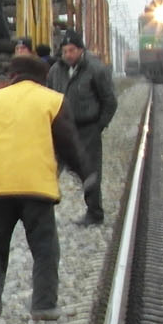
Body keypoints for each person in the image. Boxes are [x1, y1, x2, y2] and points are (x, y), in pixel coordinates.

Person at [0, 53, 88, 321]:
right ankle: (44, 305)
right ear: (43, 78)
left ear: (11, 76)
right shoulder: (53, 101)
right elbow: (69, 145)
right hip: (37, 189)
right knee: (45, 248)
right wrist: (85, 175)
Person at [47, 32, 117, 225]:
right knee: (49, 169)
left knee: (90, 171)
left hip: (87, 128)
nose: (68, 55)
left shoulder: (96, 70)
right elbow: (47, 97)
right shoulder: (55, 71)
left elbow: (109, 101)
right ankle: (43, 213)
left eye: (72, 50)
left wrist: (99, 125)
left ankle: (94, 213)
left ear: (81, 50)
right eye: (65, 51)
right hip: (61, 129)